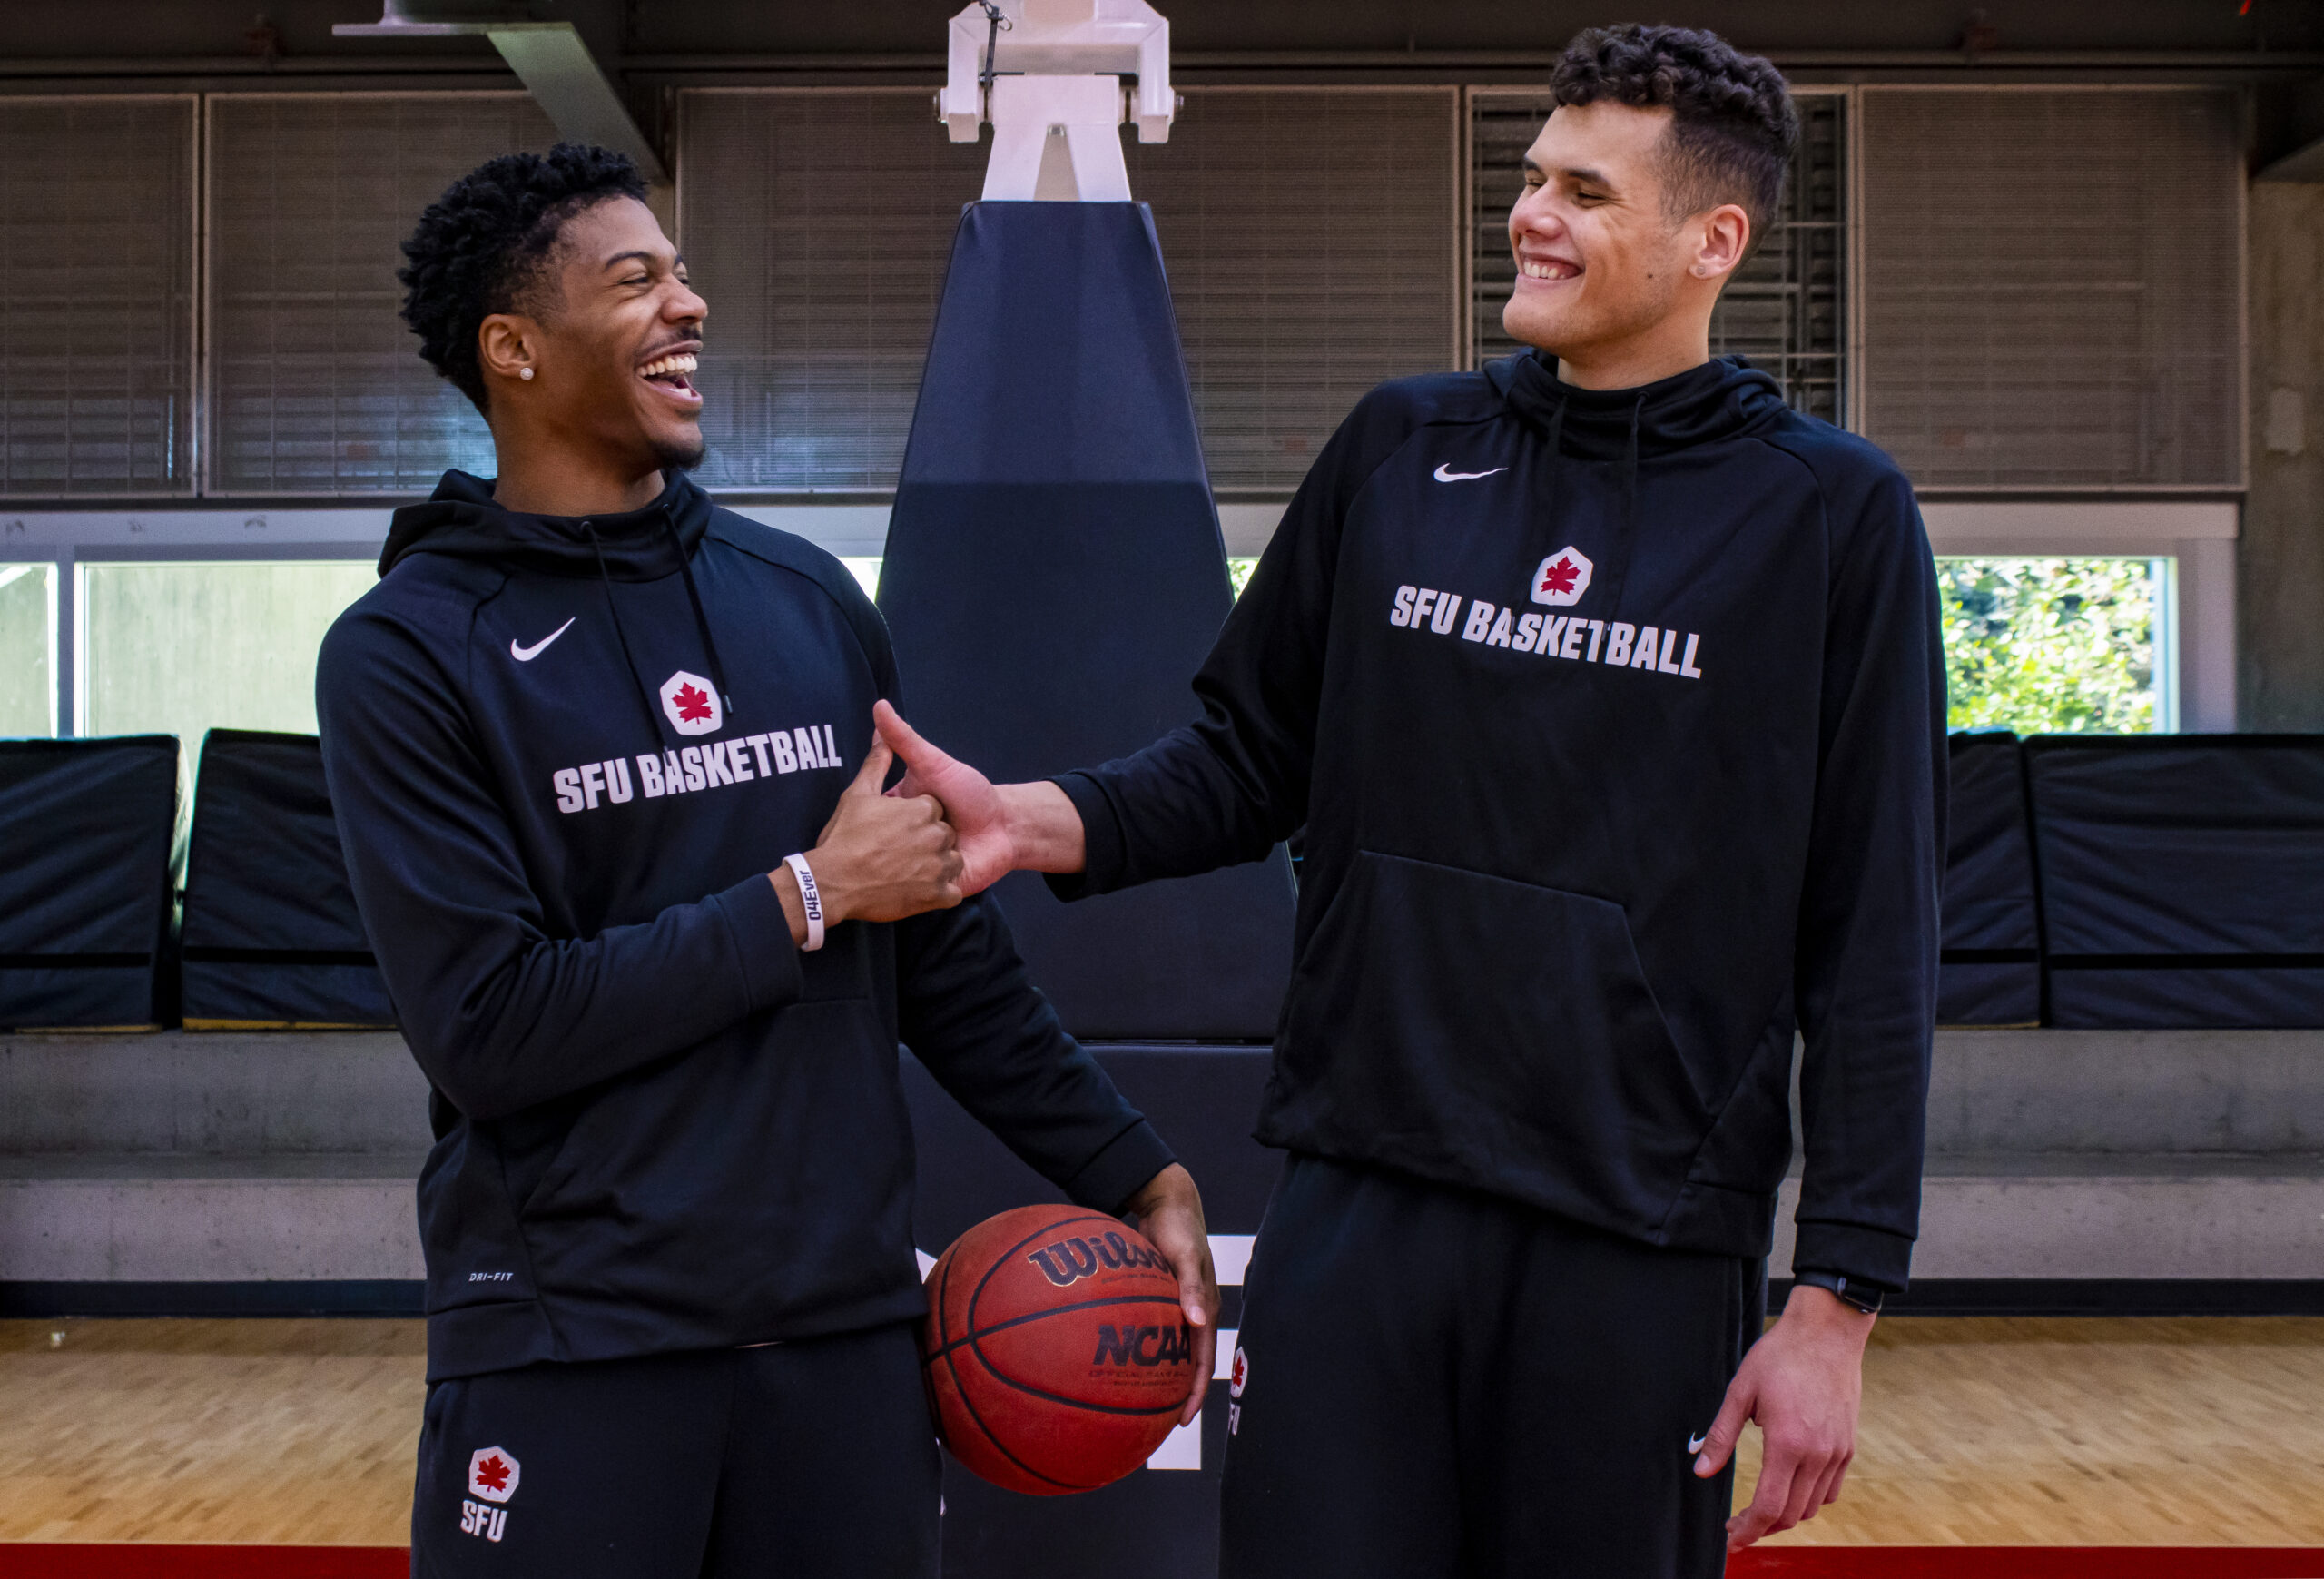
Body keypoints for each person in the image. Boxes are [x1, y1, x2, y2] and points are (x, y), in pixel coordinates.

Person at [874, 24, 1945, 1577]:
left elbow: (1875, 928)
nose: (1533, 213)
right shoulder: (1401, 449)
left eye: (1586, 188)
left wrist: (1835, 1300)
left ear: (1715, 240)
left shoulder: (1831, 518)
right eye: (1532, 178)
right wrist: (1044, 821)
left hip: (1637, 1239)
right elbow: (1249, 757)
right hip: (1360, 1207)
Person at [315, 143, 1218, 1579]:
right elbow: (490, 1027)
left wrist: (1134, 1170)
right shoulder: (412, 654)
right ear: (515, 350)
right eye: (639, 281)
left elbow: (938, 954)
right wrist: (805, 896)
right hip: (573, 1340)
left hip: (839, 1344)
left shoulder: (801, 599)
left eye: (682, 271)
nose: (692, 305)